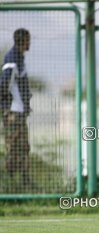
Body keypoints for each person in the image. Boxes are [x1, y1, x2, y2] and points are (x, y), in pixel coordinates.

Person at [0, 28, 32, 190]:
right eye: (28, 39)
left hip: (19, 112)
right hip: (13, 112)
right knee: (13, 147)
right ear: (23, 40)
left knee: (24, 147)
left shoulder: (19, 58)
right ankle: (10, 185)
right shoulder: (12, 59)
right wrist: (7, 103)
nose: (30, 43)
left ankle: (25, 183)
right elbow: (4, 83)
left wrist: (26, 104)